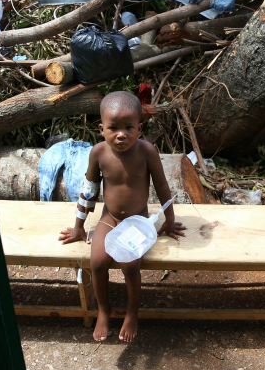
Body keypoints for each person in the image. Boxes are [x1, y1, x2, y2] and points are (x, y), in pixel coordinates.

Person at [58, 91, 186, 342]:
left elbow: (162, 187)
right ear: (101, 128)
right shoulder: (98, 153)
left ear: (139, 128)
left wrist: (168, 220)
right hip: (110, 218)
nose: (121, 134)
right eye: (113, 127)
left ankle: (131, 312)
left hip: (137, 220)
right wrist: (78, 227)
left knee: (130, 265)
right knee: (97, 262)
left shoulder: (147, 151)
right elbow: (89, 191)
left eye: (129, 127)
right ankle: (104, 311)